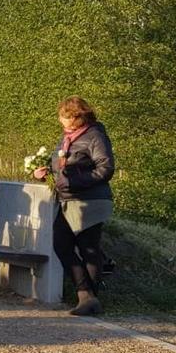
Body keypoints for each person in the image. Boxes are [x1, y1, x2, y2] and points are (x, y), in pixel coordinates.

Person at [33, 96, 114, 316]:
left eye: (64, 116)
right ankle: (86, 294)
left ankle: (88, 297)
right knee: (61, 243)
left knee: (88, 247)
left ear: (77, 116)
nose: (61, 121)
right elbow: (62, 168)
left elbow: (105, 168)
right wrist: (45, 173)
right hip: (67, 199)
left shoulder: (95, 135)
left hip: (90, 200)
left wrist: (74, 182)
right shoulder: (67, 138)